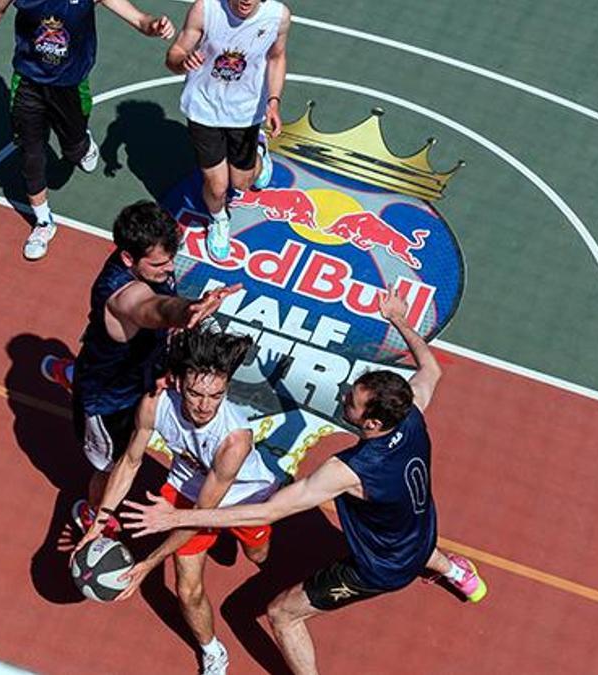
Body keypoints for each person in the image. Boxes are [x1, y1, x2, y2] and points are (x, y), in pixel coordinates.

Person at [121, 285, 488, 675]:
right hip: (419, 529)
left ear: (373, 424)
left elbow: (264, 510)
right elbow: (431, 369)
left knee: (282, 614)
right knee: (410, 541)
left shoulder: (349, 470)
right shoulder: (410, 411)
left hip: (380, 566)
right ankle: (454, 571)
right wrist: (398, 318)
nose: (344, 393)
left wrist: (175, 519)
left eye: (352, 401)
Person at [75, 326, 277, 675]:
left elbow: (203, 515)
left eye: (216, 396)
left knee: (258, 555)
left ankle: (252, 542)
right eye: (197, 394)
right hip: (187, 488)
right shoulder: (155, 404)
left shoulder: (234, 441)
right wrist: (98, 523)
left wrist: (147, 564)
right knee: (188, 589)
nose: (205, 405)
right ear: (180, 382)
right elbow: (130, 462)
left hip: (244, 499)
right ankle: (212, 650)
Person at [0, 0, 175, 260]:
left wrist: (155, 25)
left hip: (70, 86)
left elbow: (138, 19)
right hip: (28, 82)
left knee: (74, 148)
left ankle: (82, 145)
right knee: (31, 154)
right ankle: (43, 222)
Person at [67, 201, 241, 537]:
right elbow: (154, 308)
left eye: (171, 258)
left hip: (140, 368)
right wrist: (190, 308)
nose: (170, 267)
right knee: (113, 465)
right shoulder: (124, 296)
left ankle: (73, 369)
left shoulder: (147, 257)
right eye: (160, 263)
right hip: (109, 401)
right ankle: (94, 514)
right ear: (129, 259)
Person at [166, 0, 292, 261]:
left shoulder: (277, 17)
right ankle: (219, 219)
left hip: (245, 112)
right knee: (217, 186)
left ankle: (258, 151)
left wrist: (274, 101)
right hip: (204, 109)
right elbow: (174, 54)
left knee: (242, 183)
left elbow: (277, 56)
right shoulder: (206, 9)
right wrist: (183, 61)